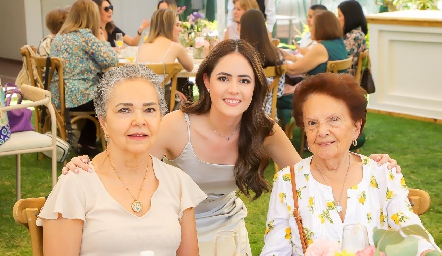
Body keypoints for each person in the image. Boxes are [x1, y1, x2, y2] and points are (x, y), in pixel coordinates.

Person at [64, 40, 399, 256]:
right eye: (224, 78)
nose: (233, 89)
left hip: (229, 233)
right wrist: (85, 168)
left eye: (244, 80)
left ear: (255, 88)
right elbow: (127, 166)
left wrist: (363, 163)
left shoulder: (264, 130)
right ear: (207, 81)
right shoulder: (176, 127)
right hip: (176, 232)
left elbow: (307, 174)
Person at [260, 73, 439, 256]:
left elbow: (412, 233)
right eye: (312, 123)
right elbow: (274, 251)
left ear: (356, 127)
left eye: (334, 120)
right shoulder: (288, 181)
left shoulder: (382, 174)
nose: (322, 131)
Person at [37, 64, 206, 256]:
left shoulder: (177, 183)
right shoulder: (77, 185)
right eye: (125, 110)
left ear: (160, 118)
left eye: (149, 109)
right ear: (103, 122)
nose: (139, 120)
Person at [50, 0, 118, 157]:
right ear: (92, 16)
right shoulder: (85, 37)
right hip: (77, 97)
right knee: (111, 97)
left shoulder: (60, 37)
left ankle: (86, 142)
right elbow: (111, 60)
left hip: (58, 95)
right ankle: (93, 143)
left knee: (100, 94)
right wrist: (101, 38)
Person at [137, 8, 193, 111]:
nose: (180, 29)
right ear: (168, 27)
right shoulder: (175, 47)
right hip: (163, 104)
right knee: (187, 99)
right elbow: (190, 67)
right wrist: (177, 41)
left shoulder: (142, 47)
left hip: (140, 101)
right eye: (177, 25)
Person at [240, 9, 284, 117]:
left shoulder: (241, 55)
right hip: (269, 116)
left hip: (244, 115)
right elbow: (279, 92)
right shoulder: (277, 54)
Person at [282, 10, 347, 76]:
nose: (310, 29)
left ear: (320, 28)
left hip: (320, 85)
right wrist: (290, 57)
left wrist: (275, 59)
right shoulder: (339, 42)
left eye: (312, 26)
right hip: (338, 85)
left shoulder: (321, 48)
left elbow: (292, 70)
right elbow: (313, 62)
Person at [338, 0, 368, 75]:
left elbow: (340, 60)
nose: (337, 19)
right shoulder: (351, 35)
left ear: (349, 17)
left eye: (339, 15)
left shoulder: (356, 36)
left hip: (344, 79)